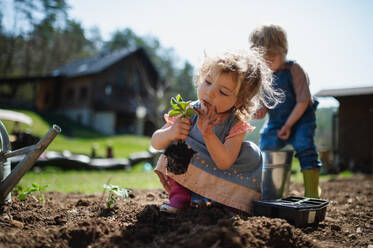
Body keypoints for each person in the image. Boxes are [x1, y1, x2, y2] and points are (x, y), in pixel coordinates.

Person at [151, 49, 279, 213]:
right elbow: (155, 142)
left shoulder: (235, 125)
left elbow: (224, 162)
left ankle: (227, 203)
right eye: (208, 82)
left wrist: (208, 134)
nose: (210, 93)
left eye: (223, 92)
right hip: (192, 167)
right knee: (174, 146)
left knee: (252, 153)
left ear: (239, 101)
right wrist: (170, 132)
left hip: (222, 173)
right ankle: (180, 196)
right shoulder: (189, 111)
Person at [249, 24, 321, 198]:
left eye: (272, 57)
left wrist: (289, 125)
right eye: (263, 60)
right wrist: (260, 111)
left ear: (284, 50)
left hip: (301, 118)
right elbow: (265, 104)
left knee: (305, 146)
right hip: (276, 121)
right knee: (267, 144)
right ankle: (270, 191)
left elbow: (303, 101)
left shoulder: (295, 70)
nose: (268, 63)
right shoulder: (264, 77)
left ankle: (312, 191)